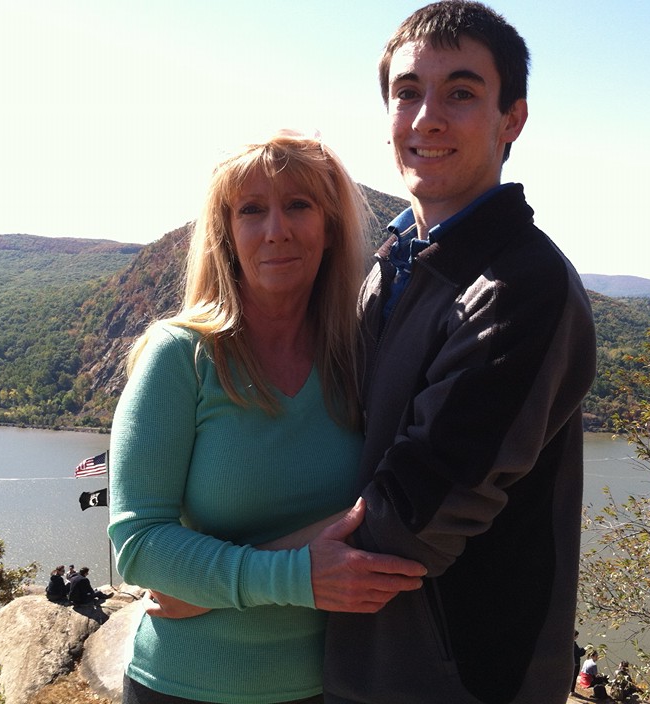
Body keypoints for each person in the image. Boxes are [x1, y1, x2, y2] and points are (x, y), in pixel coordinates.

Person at [321, 3, 597, 703]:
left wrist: (229, 576)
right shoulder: (392, 261)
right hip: (365, 663)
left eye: (462, 93)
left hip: (466, 678)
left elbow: (412, 518)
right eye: (408, 92)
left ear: (512, 121)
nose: (426, 118)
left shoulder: (520, 286)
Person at [107, 132, 427, 704]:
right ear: (227, 236)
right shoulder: (181, 357)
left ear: (329, 228)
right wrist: (296, 576)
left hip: (329, 684)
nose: (275, 229)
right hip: (187, 686)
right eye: (252, 210)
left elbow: (384, 505)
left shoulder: (359, 357)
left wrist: (218, 582)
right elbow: (139, 543)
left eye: (298, 205)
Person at [573, 631, 585, 695]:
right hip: (575, 663)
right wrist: (584, 649)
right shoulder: (573, 644)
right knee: (574, 677)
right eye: (577, 636)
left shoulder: (568, 643)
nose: (577, 637)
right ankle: (572, 691)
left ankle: (570, 689)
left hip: (571, 662)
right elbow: (578, 653)